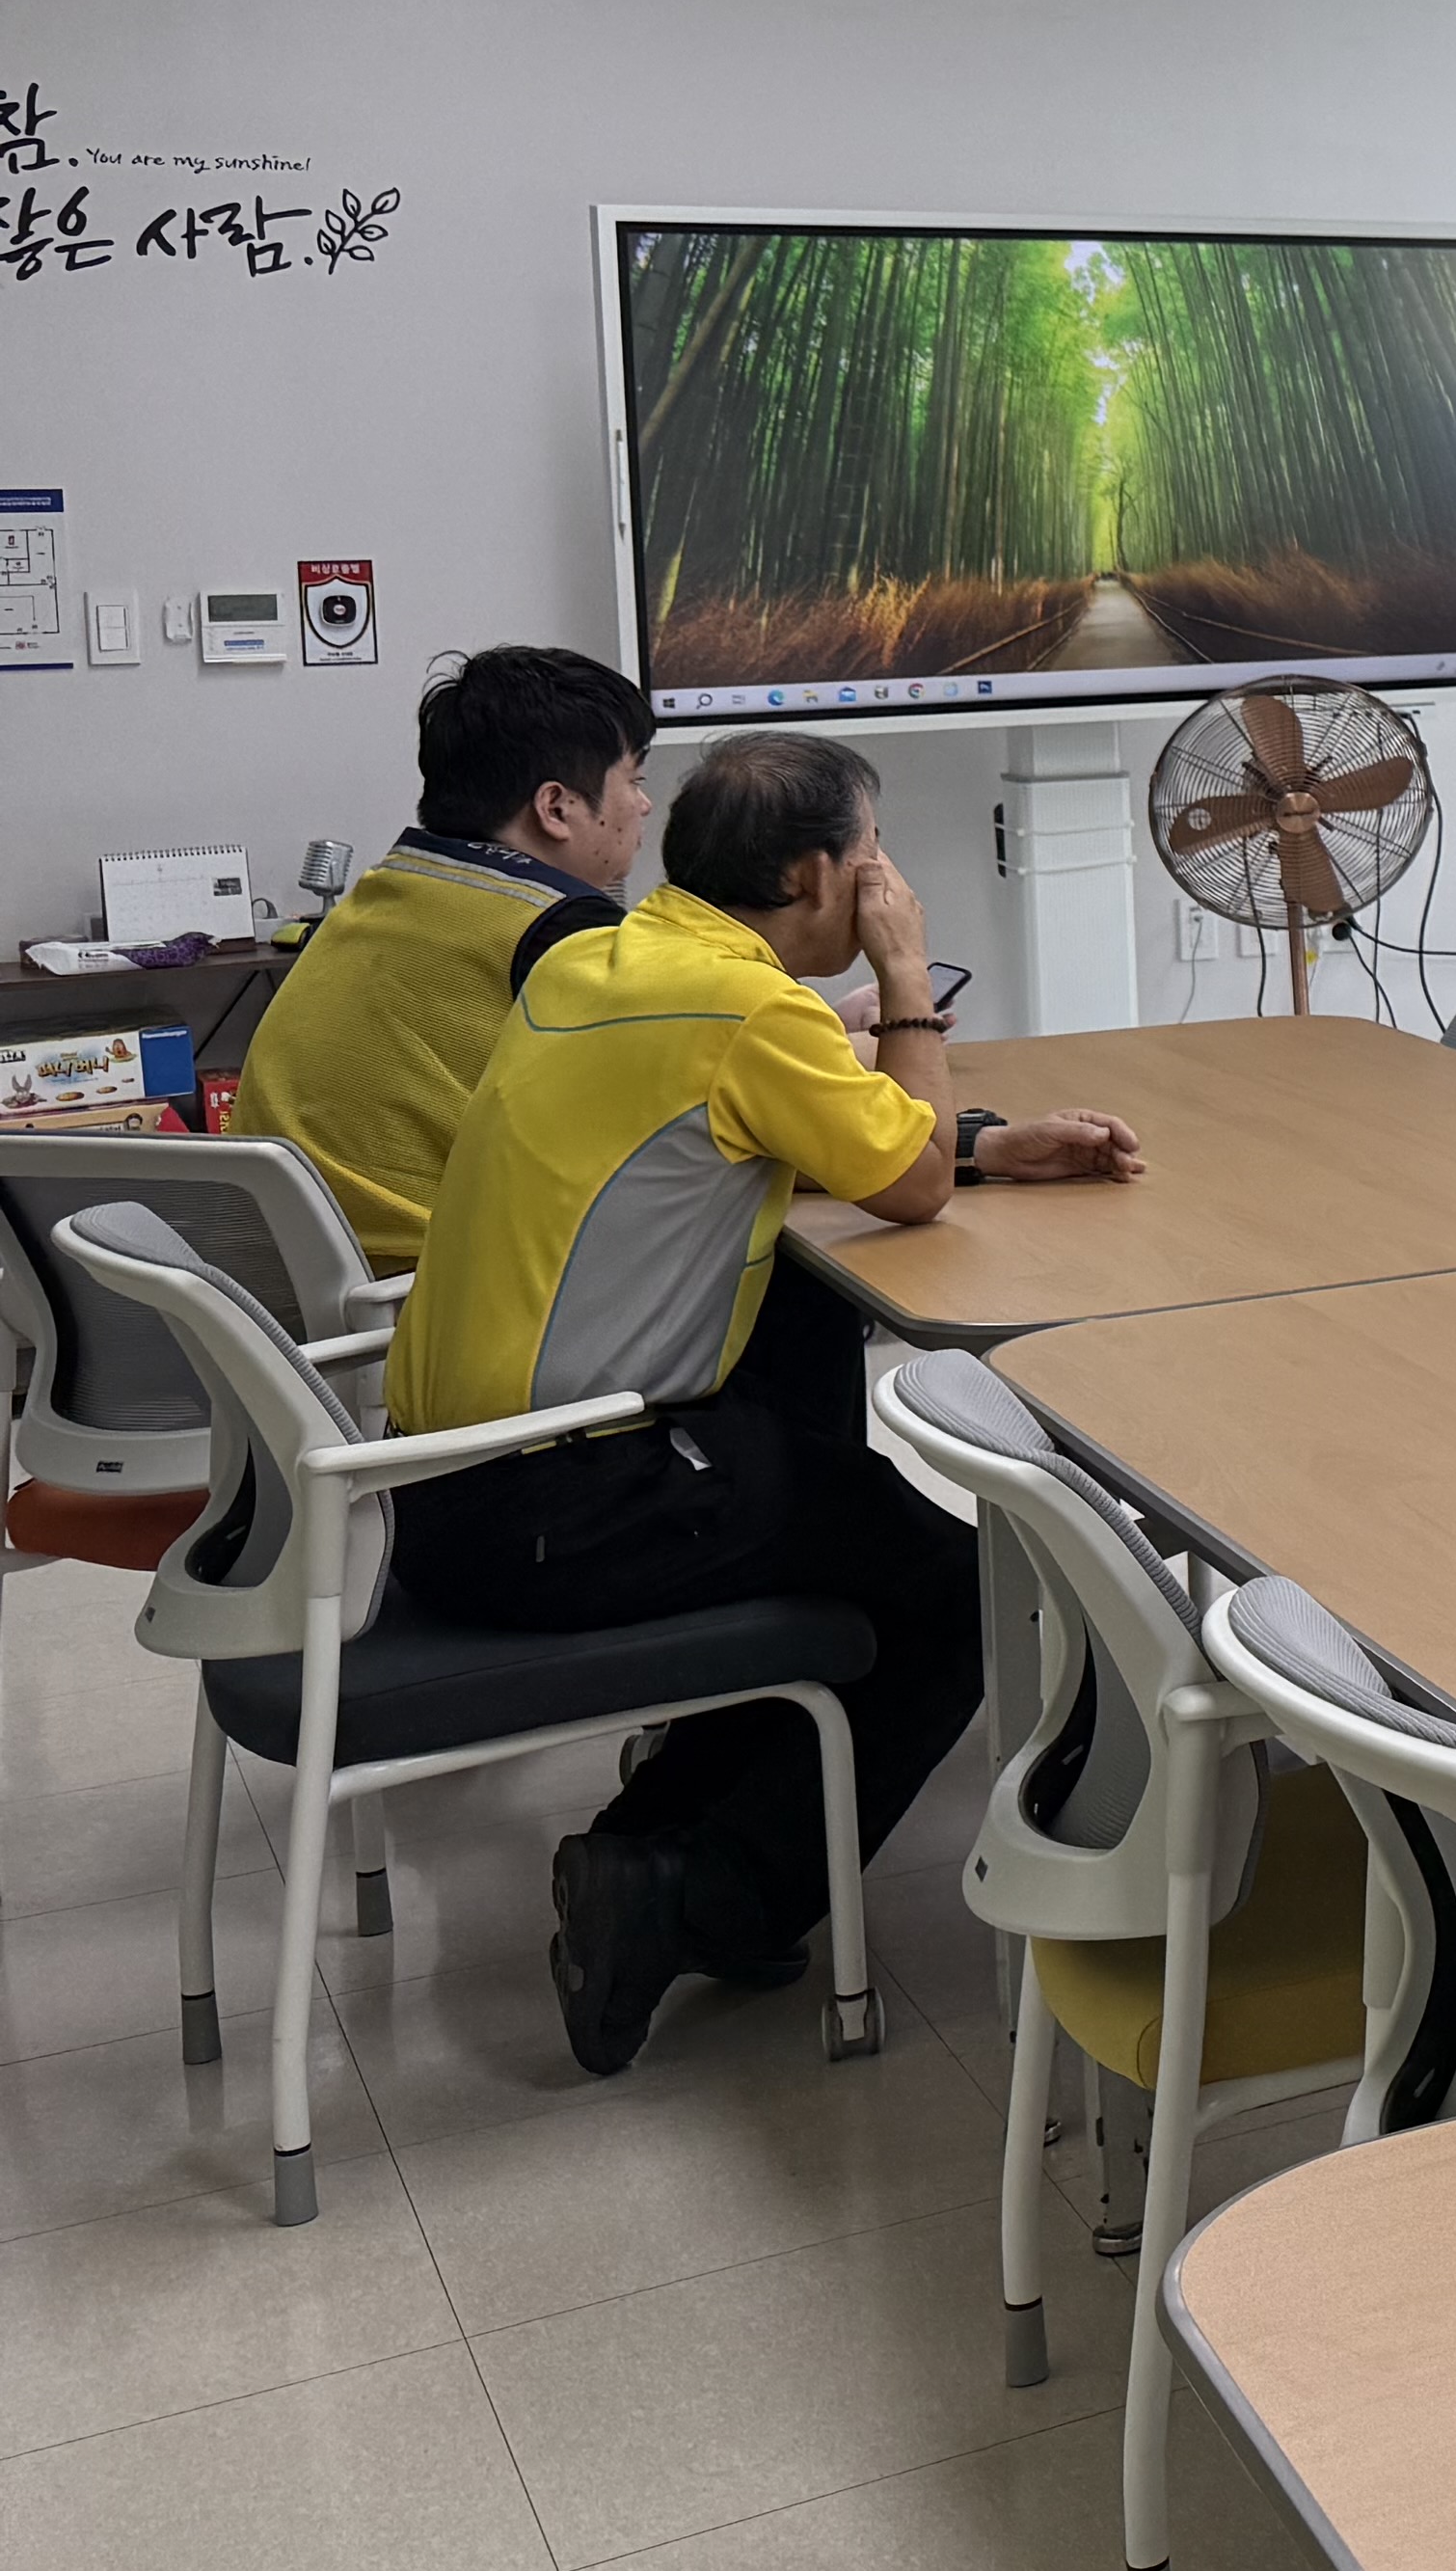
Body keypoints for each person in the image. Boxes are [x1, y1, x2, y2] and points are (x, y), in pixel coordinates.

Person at [390, 731, 1144, 2076]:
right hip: (566, 1497)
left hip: (459, 1478)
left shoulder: (601, 960)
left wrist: (988, 1144)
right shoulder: (754, 1011)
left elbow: (748, 1142)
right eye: (873, 859)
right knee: (960, 1594)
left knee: (846, 1523)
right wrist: (906, 980)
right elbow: (899, 1182)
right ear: (814, 873)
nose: (885, 882)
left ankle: (648, 1861)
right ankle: (700, 1894)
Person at [231, 642, 655, 1268]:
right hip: (440, 1297)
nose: (643, 804)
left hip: (290, 1292)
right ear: (557, 807)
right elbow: (697, 1111)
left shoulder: (386, 888)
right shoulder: (560, 924)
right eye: (634, 780)